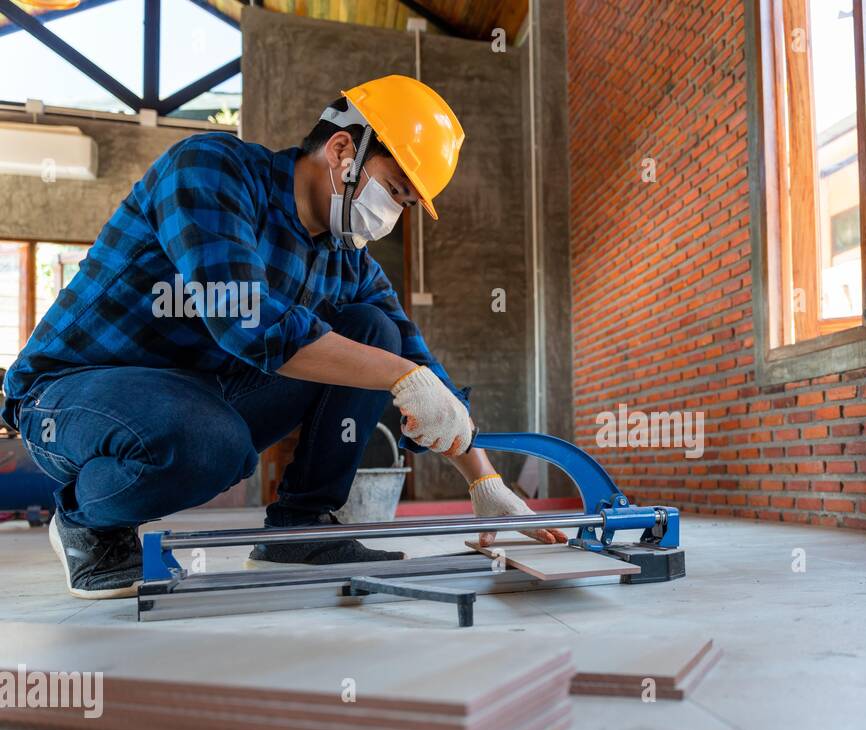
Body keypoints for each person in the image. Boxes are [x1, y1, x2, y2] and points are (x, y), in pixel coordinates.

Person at [1, 75, 563, 600]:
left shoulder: (349, 265)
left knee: (376, 331)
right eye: (394, 190)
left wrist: (483, 480)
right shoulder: (211, 170)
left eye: (407, 204)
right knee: (208, 441)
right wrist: (398, 376)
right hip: (73, 392)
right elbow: (246, 321)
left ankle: (301, 530)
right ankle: (84, 521)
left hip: (202, 394)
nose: (393, 215)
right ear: (343, 151)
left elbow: (416, 363)